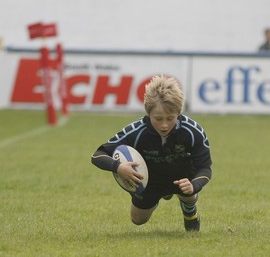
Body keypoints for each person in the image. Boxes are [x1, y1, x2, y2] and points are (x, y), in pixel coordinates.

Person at [91, 75, 212, 231]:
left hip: (181, 178)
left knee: (187, 192)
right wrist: (118, 167)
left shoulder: (193, 131)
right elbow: (98, 155)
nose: (164, 125)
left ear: (179, 113)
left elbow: (205, 168)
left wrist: (194, 185)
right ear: (148, 113)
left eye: (170, 118)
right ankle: (158, 196)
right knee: (137, 219)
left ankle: (189, 210)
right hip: (149, 181)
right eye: (158, 118)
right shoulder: (136, 131)